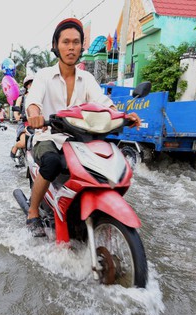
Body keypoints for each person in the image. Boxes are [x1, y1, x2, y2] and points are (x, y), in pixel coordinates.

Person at [24, 18, 141, 237]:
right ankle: (32, 211)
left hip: (80, 139)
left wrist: (122, 116)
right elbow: (33, 102)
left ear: (81, 47)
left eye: (76, 42)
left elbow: (104, 104)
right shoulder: (43, 76)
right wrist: (35, 116)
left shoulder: (87, 78)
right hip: (48, 136)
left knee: (106, 165)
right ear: (56, 46)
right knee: (50, 162)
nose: (71, 47)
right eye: (66, 42)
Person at [10, 74, 34, 161]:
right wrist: (17, 116)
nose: (33, 86)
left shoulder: (40, 97)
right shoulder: (21, 98)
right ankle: (16, 146)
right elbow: (16, 111)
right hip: (24, 124)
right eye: (31, 84)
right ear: (27, 86)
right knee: (23, 143)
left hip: (37, 124)